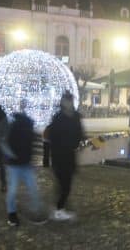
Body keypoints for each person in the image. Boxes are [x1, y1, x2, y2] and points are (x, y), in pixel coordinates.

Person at [0, 100, 45, 227]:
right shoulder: (14, 123)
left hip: (23, 163)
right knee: (14, 190)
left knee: (32, 189)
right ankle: (12, 214)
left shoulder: (26, 123)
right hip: (16, 164)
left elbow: (31, 142)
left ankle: (34, 212)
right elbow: (3, 141)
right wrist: (11, 155)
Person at [46, 91, 85, 221]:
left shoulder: (76, 117)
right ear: (62, 102)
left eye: (69, 100)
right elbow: (51, 136)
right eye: (66, 101)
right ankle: (59, 209)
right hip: (59, 156)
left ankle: (60, 207)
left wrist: (80, 141)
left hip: (70, 155)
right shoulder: (58, 118)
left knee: (65, 184)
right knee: (65, 185)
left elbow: (80, 134)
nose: (68, 103)